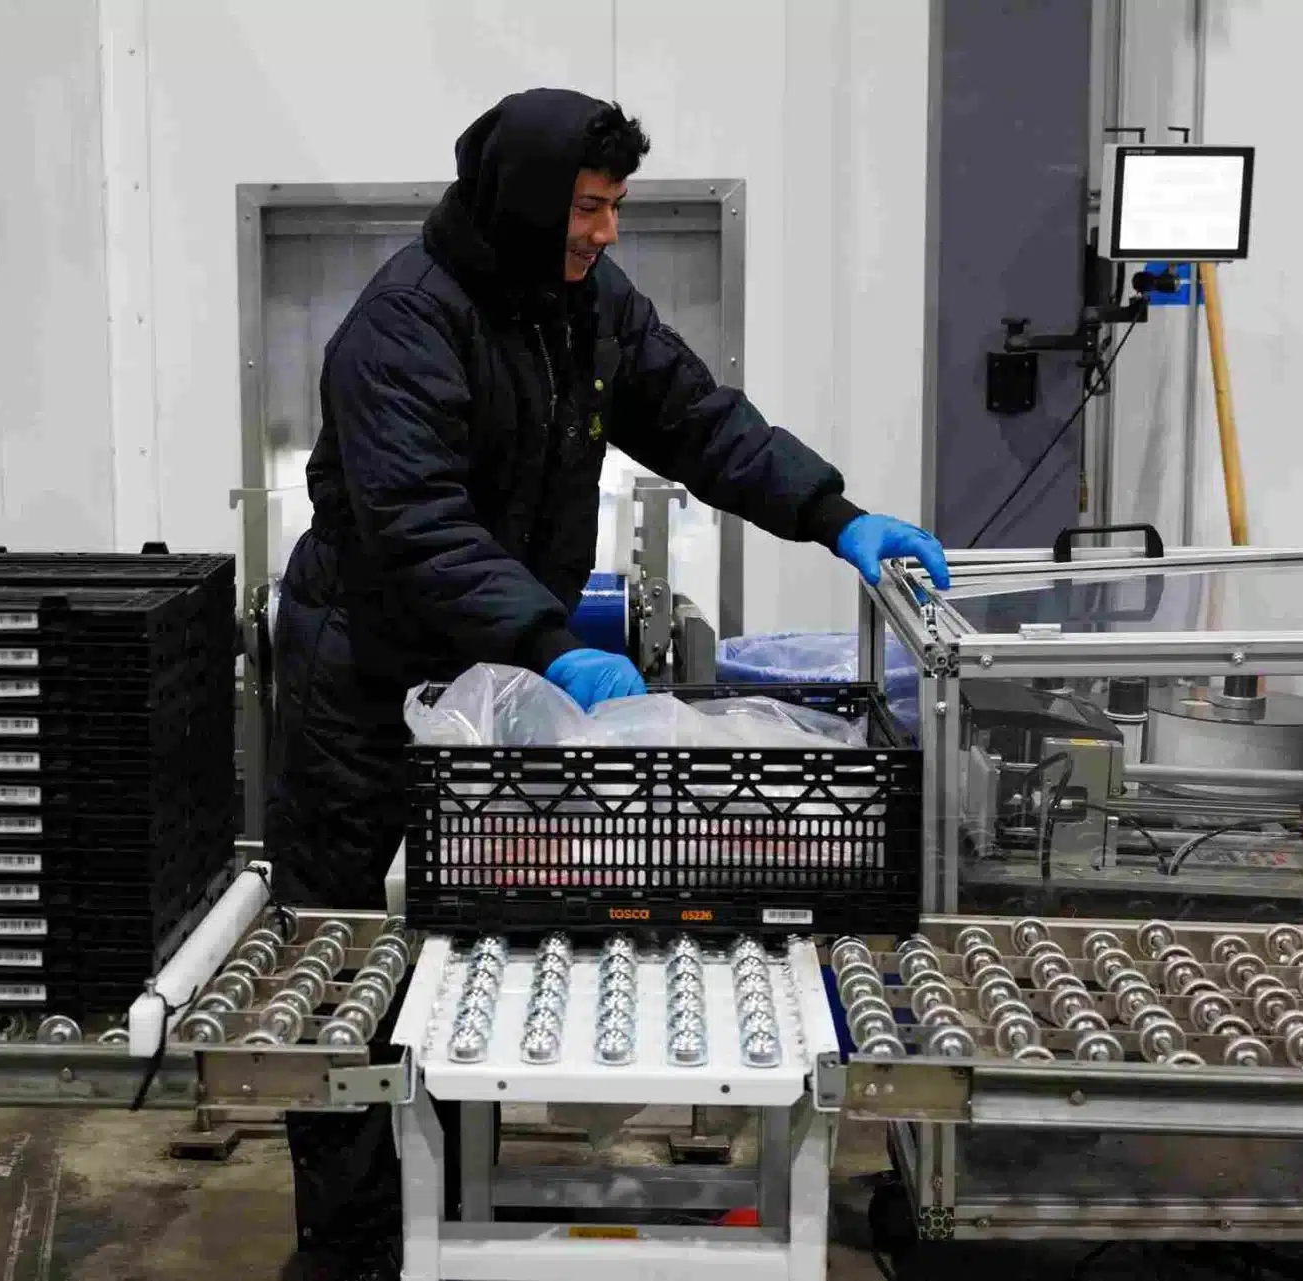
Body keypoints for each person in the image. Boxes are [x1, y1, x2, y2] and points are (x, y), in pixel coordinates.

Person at [262, 87, 948, 1278]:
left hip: (489, 672)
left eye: (618, 207)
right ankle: (356, 1249)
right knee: (354, 981)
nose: (609, 231)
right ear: (525, 203)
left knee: (466, 946)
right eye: (591, 207)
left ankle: (457, 1201)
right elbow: (419, 529)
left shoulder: (584, 305)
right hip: (363, 691)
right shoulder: (402, 329)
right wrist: (551, 639)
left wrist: (833, 514)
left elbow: (698, 421)